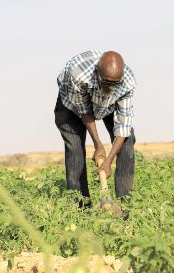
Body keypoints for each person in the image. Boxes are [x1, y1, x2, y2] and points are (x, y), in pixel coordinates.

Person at [54, 50, 136, 208]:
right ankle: (80, 207)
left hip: (107, 105)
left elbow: (124, 125)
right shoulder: (77, 74)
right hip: (72, 104)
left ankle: (125, 204)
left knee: (127, 139)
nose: (111, 88)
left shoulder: (127, 82)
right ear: (96, 74)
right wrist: (98, 145)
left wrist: (108, 161)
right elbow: (84, 111)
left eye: (115, 84)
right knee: (75, 148)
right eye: (106, 83)